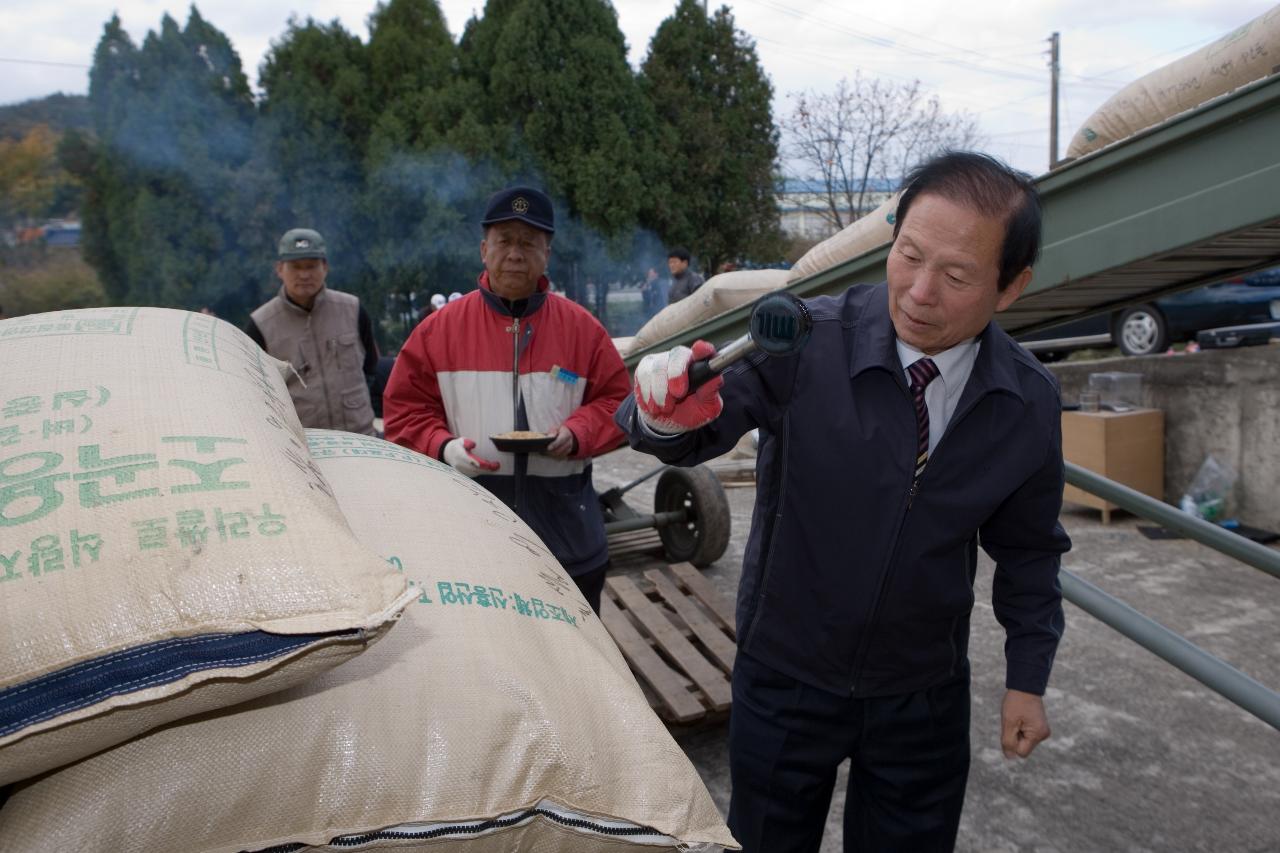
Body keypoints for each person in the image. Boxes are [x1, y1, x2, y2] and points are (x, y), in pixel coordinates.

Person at [617, 151, 1071, 852]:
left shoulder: (1027, 402)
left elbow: (1031, 551)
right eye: (909, 256)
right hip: (786, 672)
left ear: (1011, 287)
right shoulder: (804, 337)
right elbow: (690, 426)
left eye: (955, 276)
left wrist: (1027, 676)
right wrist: (659, 412)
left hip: (923, 691)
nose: (919, 292)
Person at [383, 186, 630, 613]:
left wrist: (576, 433)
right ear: (484, 250)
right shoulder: (439, 331)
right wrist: (443, 447)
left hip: (567, 534)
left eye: (528, 243)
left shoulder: (582, 330)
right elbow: (404, 412)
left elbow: (619, 404)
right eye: (504, 241)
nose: (515, 254)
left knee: (575, 660)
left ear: (546, 254)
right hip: (469, 533)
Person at [246, 228, 378, 436]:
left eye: (311, 266)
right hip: (303, 446)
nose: (304, 274)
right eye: (296, 267)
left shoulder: (353, 309)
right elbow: (256, 391)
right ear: (279, 269)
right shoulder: (261, 324)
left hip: (361, 439)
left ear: (325, 267)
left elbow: (371, 366)